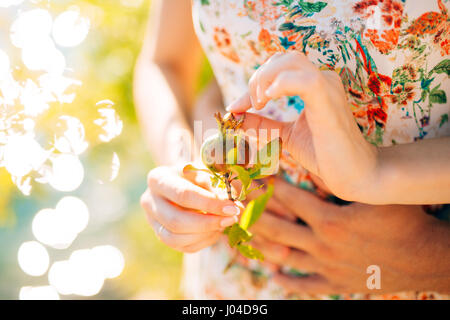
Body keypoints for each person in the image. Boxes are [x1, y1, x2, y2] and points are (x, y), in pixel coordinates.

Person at [135, 0, 450, 299]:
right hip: (234, 280)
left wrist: (429, 258)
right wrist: (188, 170)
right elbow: (165, 62)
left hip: (407, 277)